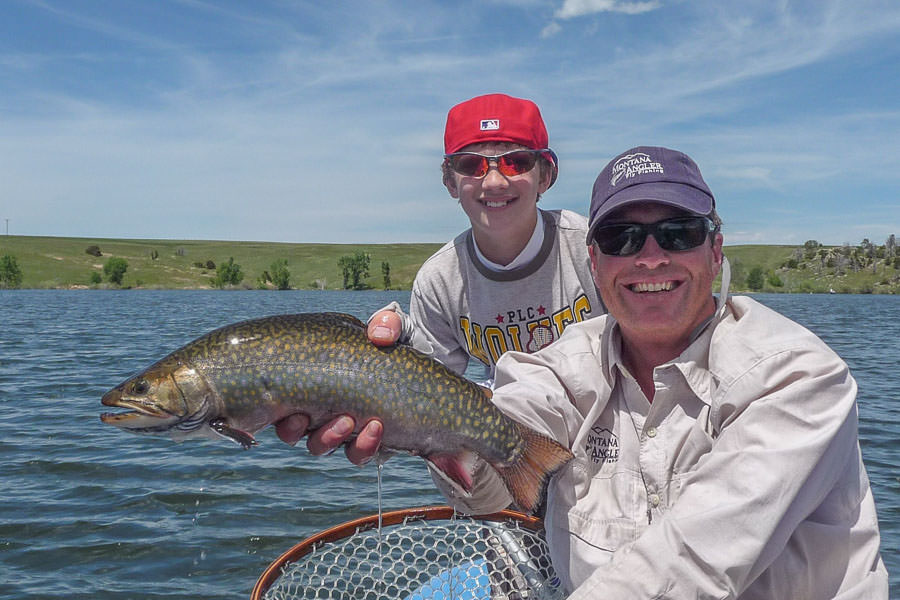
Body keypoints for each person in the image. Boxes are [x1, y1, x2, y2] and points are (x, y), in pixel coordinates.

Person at [304, 146, 890, 598]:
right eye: (621, 237)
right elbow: (492, 474)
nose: (650, 256)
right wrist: (396, 394)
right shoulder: (563, 364)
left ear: (715, 250)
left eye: (678, 232)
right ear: (595, 259)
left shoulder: (798, 376)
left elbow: (695, 563)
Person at [275, 93, 603, 455]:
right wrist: (385, 357)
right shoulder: (439, 279)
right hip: (509, 439)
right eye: (472, 166)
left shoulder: (597, 248)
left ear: (546, 175)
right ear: (450, 182)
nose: (494, 181)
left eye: (516, 162)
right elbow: (429, 389)